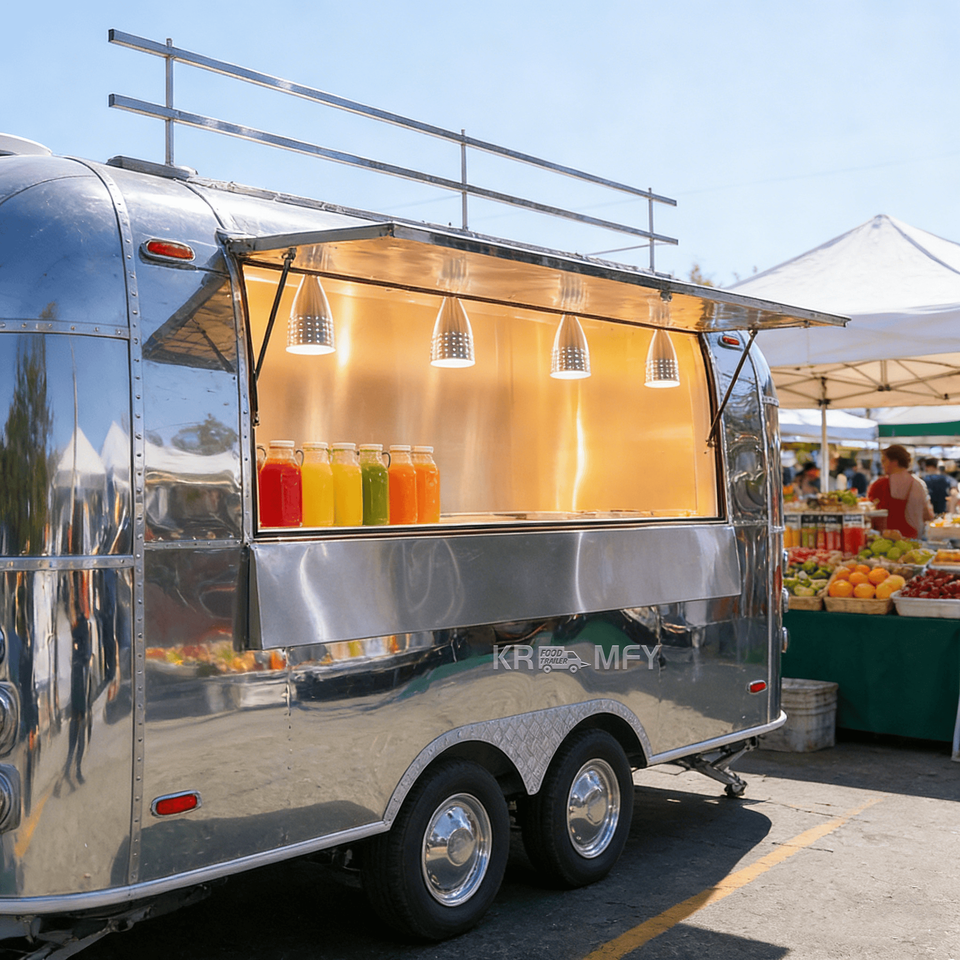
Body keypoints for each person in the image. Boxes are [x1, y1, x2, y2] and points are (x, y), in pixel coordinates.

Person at [866, 445, 934, 538]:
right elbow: (928, 516)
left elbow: (870, 513)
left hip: (886, 539)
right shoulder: (919, 484)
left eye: (884, 461)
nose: (882, 465)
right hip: (914, 538)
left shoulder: (879, 485)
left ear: (894, 462)